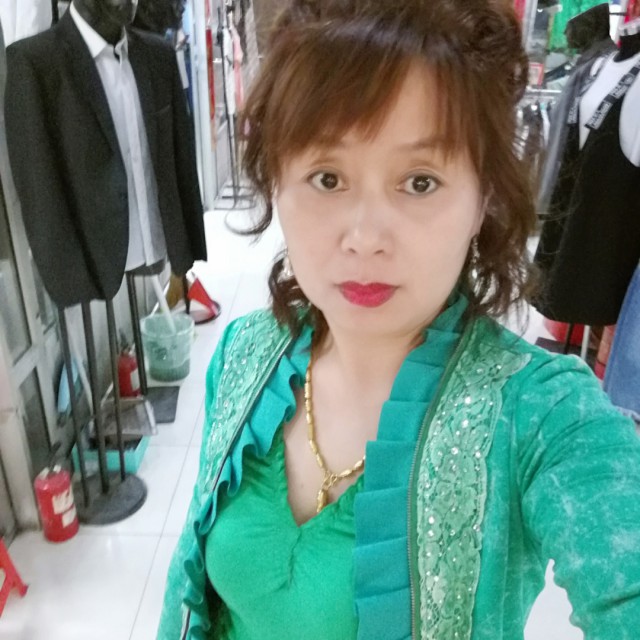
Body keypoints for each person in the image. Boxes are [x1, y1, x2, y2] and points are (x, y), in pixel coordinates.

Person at [158, 1, 640, 638]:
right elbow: (190, 590)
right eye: (327, 177)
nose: (365, 239)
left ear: (483, 198)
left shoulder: (540, 416)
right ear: (278, 180)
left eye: (419, 182)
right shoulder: (246, 354)